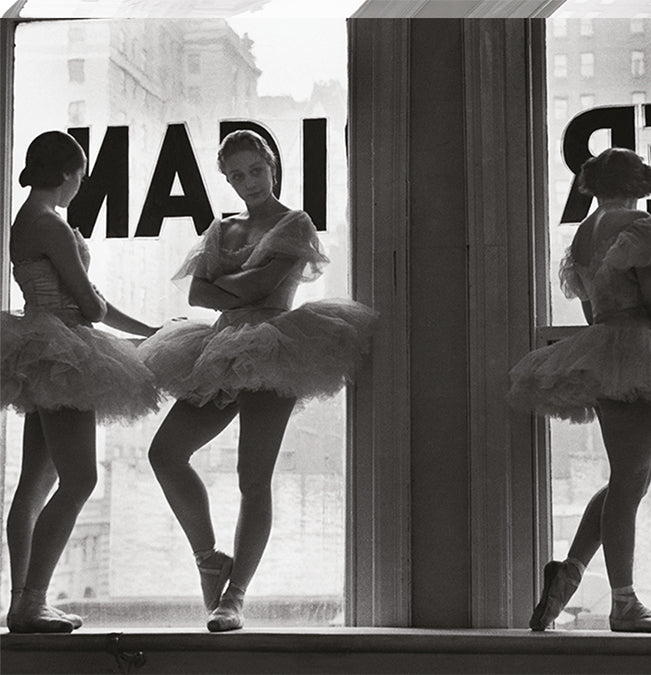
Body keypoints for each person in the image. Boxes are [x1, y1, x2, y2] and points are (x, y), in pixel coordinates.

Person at [139, 130, 377, 632]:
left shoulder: (295, 222)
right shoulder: (221, 229)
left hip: (276, 348)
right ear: (227, 179)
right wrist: (232, 289)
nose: (249, 182)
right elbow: (197, 298)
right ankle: (209, 558)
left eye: (256, 170)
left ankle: (236, 597)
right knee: (164, 453)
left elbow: (262, 287)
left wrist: (223, 285)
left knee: (253, 477)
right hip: (218, 349)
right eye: (237, 175)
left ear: (272, 166)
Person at [508, 147, 651, 633]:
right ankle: (624, 601)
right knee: (630, 478)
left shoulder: (584, 232)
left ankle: (569, 573)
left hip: (603, 342)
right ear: (635, 183)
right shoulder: (637, 225)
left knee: (631, 477)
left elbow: (588, 304)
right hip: (636, 344)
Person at [2, 131, 160, 633]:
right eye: (82, 174)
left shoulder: (25, 219)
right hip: (64, 351)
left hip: (42, 343)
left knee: (35, 483)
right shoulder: (49, 223)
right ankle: (32, 601)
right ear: (68, 174)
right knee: (80, 480)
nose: (81, 184)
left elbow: (87, 301)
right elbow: (91, 306)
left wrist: (148, 332)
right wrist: (148, 332)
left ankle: (20, 599)